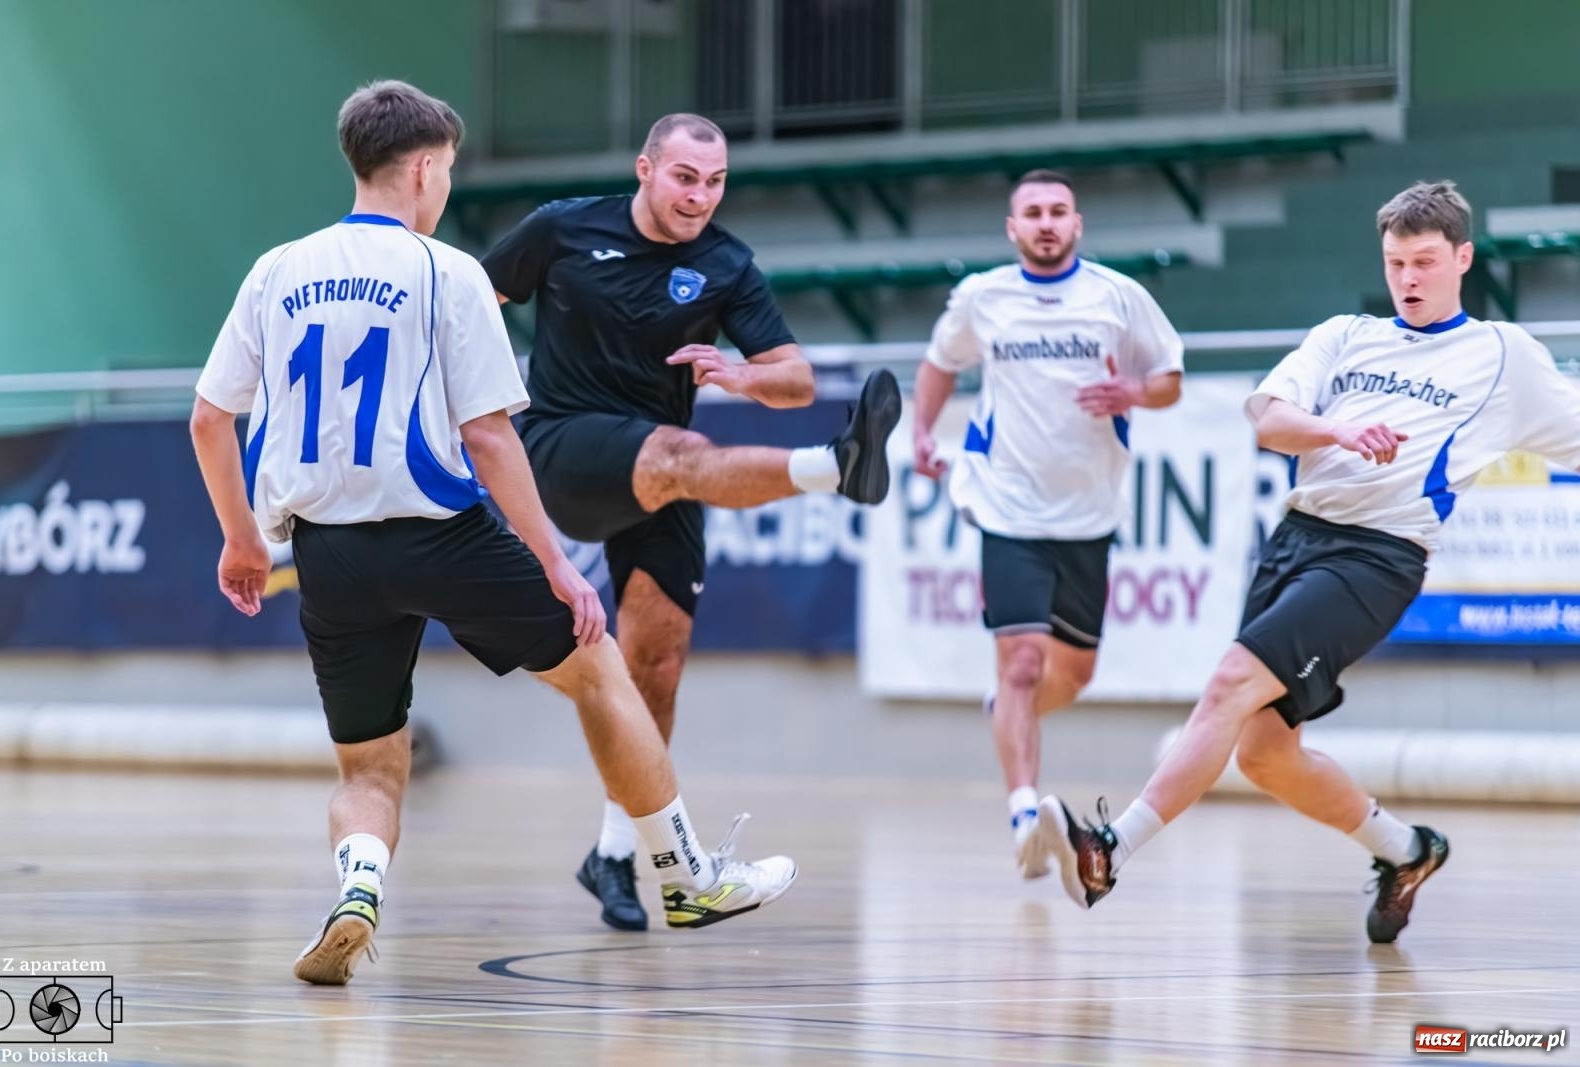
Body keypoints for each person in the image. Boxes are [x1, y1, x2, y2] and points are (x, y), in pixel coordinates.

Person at [189, 81, 797, 986]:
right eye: (446, 171)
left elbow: (209, 419)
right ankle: (686, 875)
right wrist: (556, 561)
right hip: (443, 538)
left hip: (328, 553)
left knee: (368, 766)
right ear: (423, 170)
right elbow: (489, 436)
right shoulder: (446, 271)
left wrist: (242, 541)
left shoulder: (275, 270)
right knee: (599, 671)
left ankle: (359, 885)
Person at [1043, 180, 1580, 943]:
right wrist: (1338, 430)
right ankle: (1407, 849)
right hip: (1295, 539)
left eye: (1425, 262)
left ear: (1463, 258)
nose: (1408, 279)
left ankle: (1108, 851)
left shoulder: (1502, 356)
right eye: (1395, 262)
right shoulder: (1345, 335)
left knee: (1229, 682)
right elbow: (1269, 420)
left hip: (1378, 556)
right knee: (1265, 754)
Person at [479, 112, 901, 930]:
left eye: (715, 182)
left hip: (658, 479)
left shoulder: (725, 264)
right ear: (645, 169)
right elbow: (469, 299)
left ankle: (617, 853)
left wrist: (743, 376)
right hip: (564, 446)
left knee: (656, 665)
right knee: (685, 452)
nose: (700, 197)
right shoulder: (564, 229)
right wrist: (470, 392)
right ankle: (835, 468)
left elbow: (797, 379)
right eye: (684, 178)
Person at [910, 169, 1184, 881]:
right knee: (1023, 663)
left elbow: (1170, 379)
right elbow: (939, 362)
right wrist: (921, 431)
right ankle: (1025, 818)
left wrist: (1133, 391)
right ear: (1013, 228)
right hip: (1006, 505)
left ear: (1077, 223)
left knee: (1073, 672)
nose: (1046, 222)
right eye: (1032, 212)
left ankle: (1006, 709)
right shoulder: (983, 297)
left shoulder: (1118, 296)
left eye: (1058, 211)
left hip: (1089, 512)